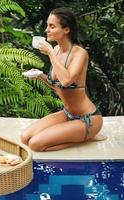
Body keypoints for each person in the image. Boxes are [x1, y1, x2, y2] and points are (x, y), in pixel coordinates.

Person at [21, 7, 107, 152]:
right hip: (67, 114)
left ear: (66, 30)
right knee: (25, 138)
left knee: (36, 144)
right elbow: (58, 85)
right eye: (47, 25)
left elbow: (67, 81)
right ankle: (78, 135)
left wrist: (49, 53)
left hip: (87, 119)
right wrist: (40, 76)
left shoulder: (79, 53)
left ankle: (86, 137)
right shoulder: (57, 50)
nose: (46, 30)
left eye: (52, 26)